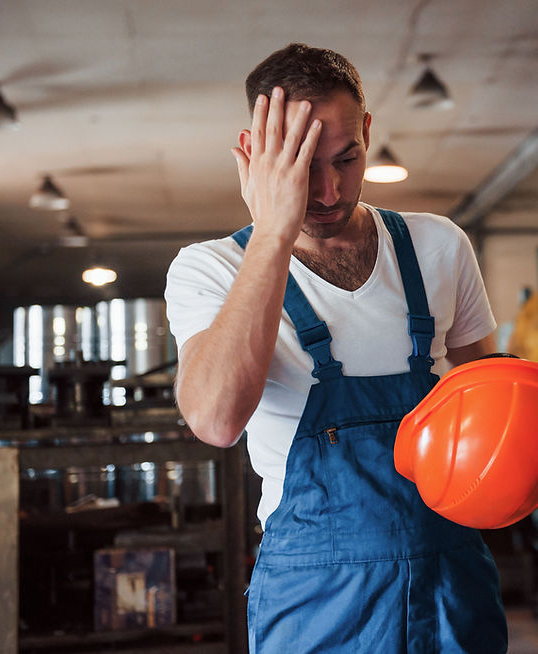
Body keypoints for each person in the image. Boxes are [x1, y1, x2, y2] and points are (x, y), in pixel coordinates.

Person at [164, 43, 508, 653]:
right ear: (254, 156)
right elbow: (216, 420)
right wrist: (272, 231)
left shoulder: (440, 246)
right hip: (316, 598)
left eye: (345, 160)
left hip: (452, 584)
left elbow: (487, 410)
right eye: (300, 168)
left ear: (367, 133)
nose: (326, 191)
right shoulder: (210, 268)